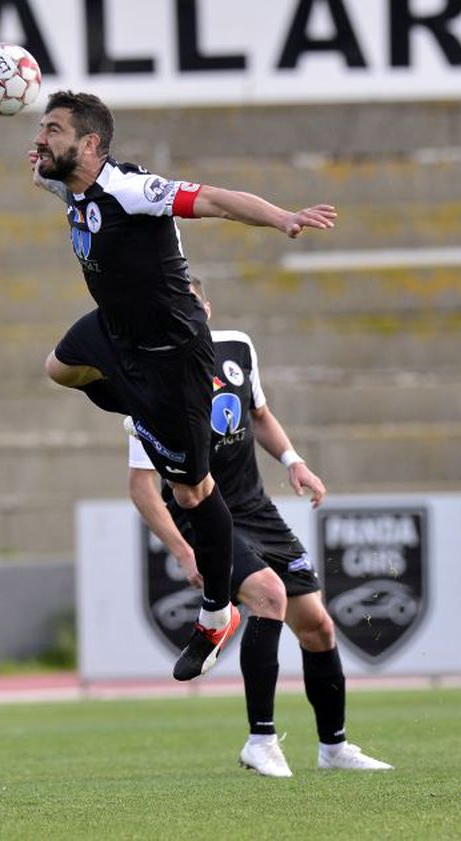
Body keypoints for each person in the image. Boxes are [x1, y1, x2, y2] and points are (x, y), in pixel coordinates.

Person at [28, 91, 336, 682]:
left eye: (54, 130)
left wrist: (281, 217)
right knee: (58, 368)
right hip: (117, 335)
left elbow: (215, 199)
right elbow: (63, 187)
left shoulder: (131, 190)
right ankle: (137, 406)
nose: (41, 138)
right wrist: (45, 169)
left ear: (90, 144)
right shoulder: (77, 188)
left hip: (173, 360)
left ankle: (216, 614)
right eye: (42, 128)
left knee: (193, 492)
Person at [126, 279, 393, 777]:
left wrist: (294, 461)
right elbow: (142, 486)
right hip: (200, 512)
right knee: (268, 595)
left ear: (204, 307)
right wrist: (185, 551)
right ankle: (261, 740)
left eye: (189, 304)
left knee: (317, 626)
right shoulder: (149, 378)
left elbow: (260, 414)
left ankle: (334, 749)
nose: (183, 313)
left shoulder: (238, 348)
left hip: (255, 506)